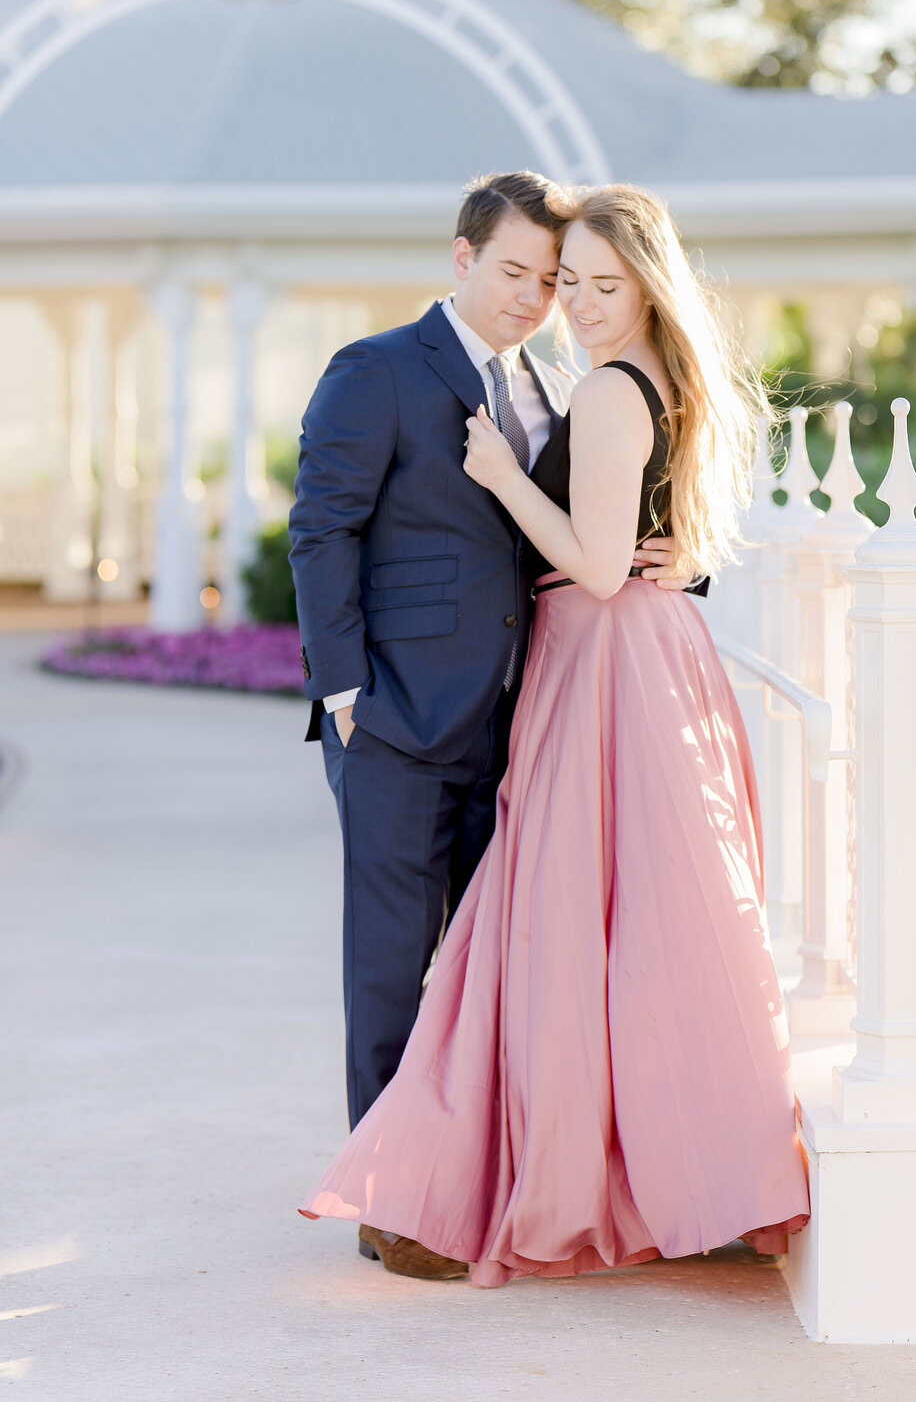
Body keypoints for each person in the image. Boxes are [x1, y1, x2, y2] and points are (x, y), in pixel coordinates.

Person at [301, 183, 810, 1286]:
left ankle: (517, 1171)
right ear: (464, 259)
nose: (553, 300)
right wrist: (346, 697)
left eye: (580, 281)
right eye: (535, 276)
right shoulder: (379, 369)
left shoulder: (562, 388)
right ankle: (400, 1201)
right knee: (405, 958)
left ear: (644, 284)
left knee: (542, 953)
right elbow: (323, 528)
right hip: (409, 712)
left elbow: (603, 535)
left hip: (542, 698)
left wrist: (676, 559)